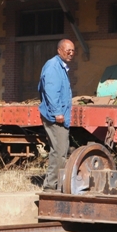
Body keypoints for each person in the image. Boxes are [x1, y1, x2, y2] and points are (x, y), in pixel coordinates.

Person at [38, 39, 75, 191]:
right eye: (68, 50)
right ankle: (50, 186)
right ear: (59, 50)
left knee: (60, 150)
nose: (71, 53)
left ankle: (56, 184)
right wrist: (57, 112)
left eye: (73, 50)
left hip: (59, 116)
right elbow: (51, 92)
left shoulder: (60, 66)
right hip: (55, 117)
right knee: (59, 152)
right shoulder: (53, 66)